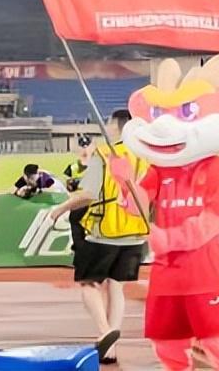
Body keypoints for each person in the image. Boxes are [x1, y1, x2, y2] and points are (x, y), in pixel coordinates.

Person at [48, 109, 149, 364]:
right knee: (116, 286)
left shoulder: (104, 154)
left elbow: (88, 194)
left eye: (109, 123)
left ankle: (104, 333)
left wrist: (60, 209)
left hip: (104, 231)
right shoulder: (146, 156)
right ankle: (110, 349)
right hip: (136, 232)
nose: (107, 127)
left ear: (118, 126)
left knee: (89, 283)